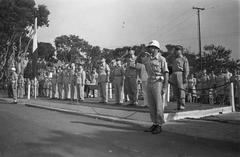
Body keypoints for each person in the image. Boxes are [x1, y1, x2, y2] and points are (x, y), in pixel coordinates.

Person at [143, 40, 169, 134]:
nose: (151, 49)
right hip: (150, 81)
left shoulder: (161, 59)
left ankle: (159, 125)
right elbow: (138, 61)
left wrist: (165, 87)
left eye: (153, 47)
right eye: (150, 47)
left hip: (158, 82)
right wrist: (143, 53)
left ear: (157, 49)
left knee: (158, 104)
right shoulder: (147, 59)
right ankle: (154, 123)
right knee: (151, 104)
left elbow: (166, 73)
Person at [170, 45, 189, 110]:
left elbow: (186, 69)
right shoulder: (175, 59)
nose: (176, 51)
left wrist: (185, 77)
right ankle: (178, 105)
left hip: (181, 74)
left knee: (181, 91)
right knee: (176, 91)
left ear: (181, 51)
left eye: (177, 50)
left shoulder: (184, 59)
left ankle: (182, 105)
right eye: (175, 50)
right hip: (174, 74)